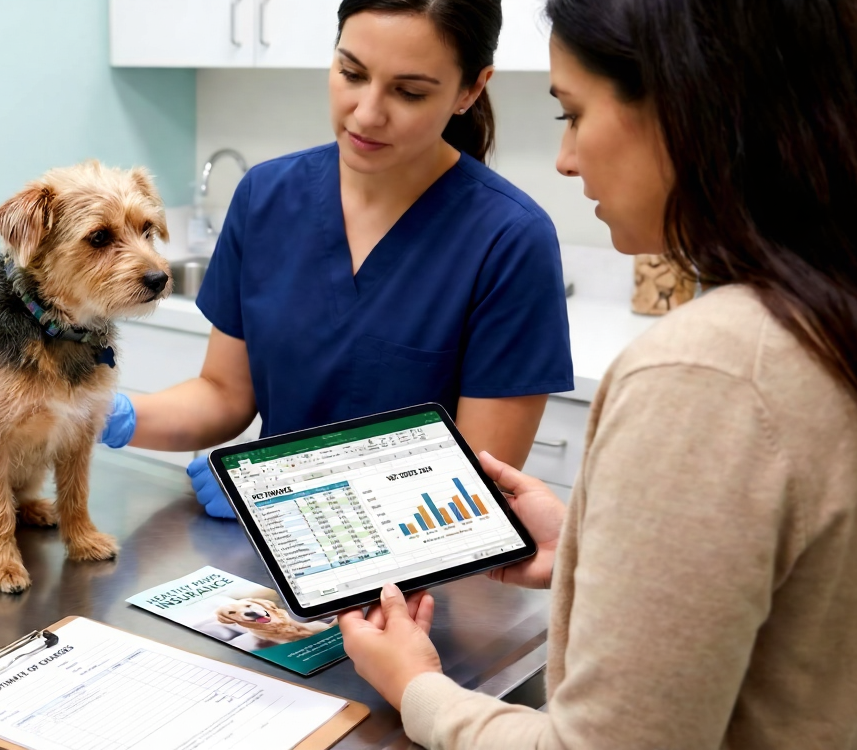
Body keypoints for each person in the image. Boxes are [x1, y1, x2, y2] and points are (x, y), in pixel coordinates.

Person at [337, 0, 857, 748]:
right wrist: (591, 551)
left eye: (572, 114)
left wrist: (414, 684)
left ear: (691, 107)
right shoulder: (836, 314)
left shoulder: (706, 371)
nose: (566, 158)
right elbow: (808, 610)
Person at [99, 0, 575, 518]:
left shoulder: (509, 240)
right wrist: (104, 413)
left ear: (471, 89)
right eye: (351, 72)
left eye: (410, 92)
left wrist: (286, 487)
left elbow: (477, 481)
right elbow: (224, 393)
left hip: (416, 582)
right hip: (269, 560)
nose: (367, 113)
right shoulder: (266, 196)